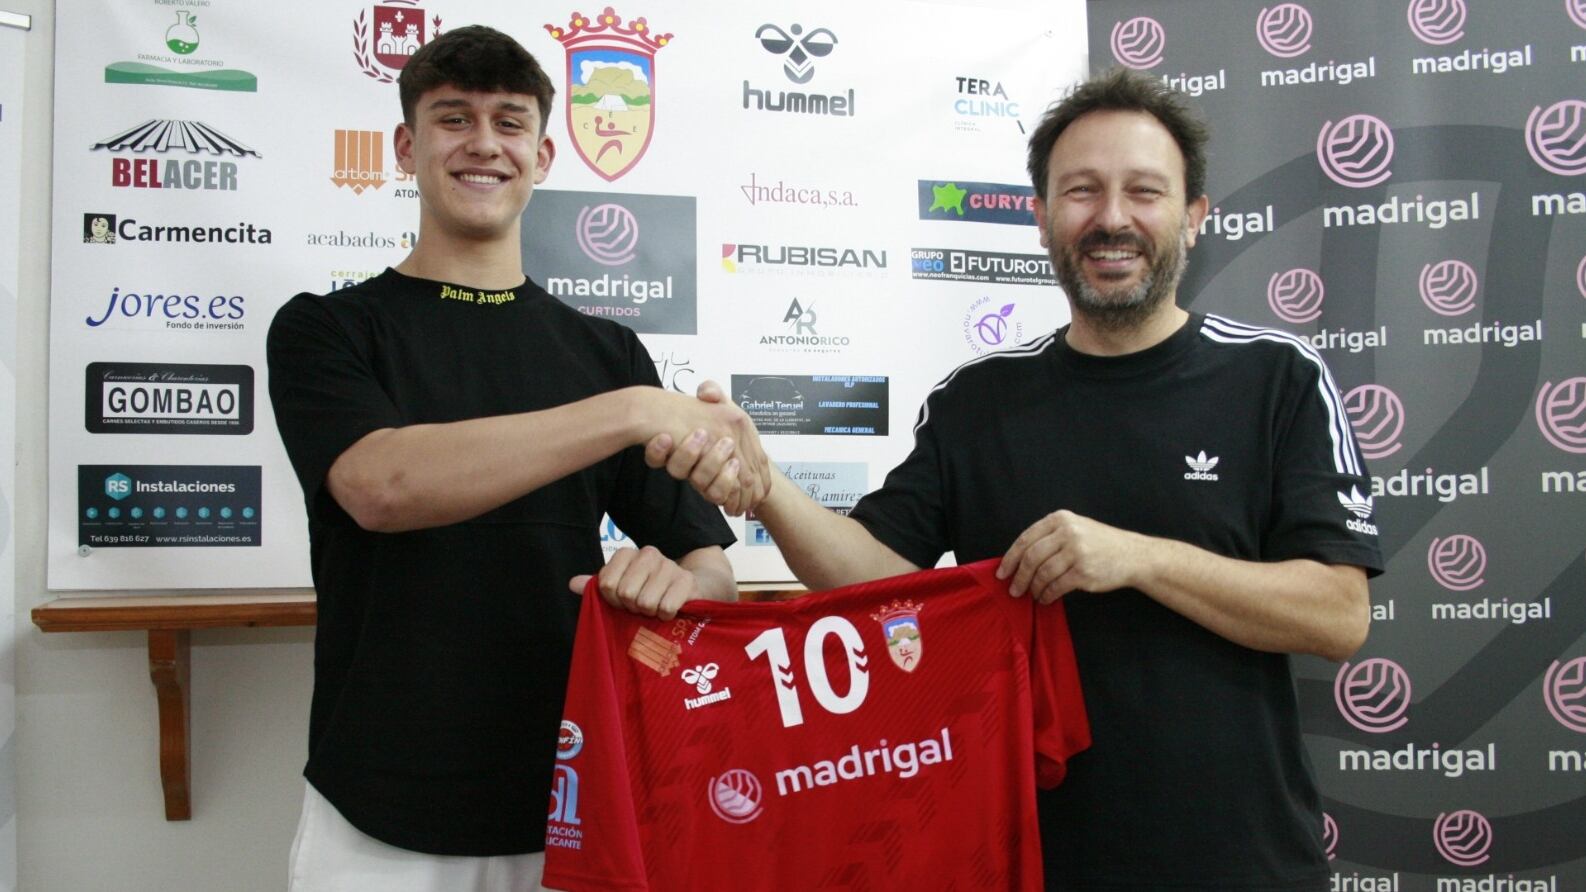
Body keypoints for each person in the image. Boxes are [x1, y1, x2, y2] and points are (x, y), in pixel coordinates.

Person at [660, 68, 1382, 890]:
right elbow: (875, 578)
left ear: (1194, 218)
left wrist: (1140, 558)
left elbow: (1338, 613)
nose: (1112, 219)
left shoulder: (1277, 378)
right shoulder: (979, 401)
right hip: (1024, 861)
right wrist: (766, 488)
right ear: (1040, 219)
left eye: (1144, 192)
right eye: (1081, 192)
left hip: (1241, 863)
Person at [267, 25, 766, 892]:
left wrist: (679, 589)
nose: (482, 144)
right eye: (453, 118)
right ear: (406, 147)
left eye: (508, 122)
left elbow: (710, 566)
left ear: (539, 154)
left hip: (577, 797)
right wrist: (630, 411)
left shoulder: (605, 351)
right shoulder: (327, 328)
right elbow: (380, 485)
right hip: (380, 811)